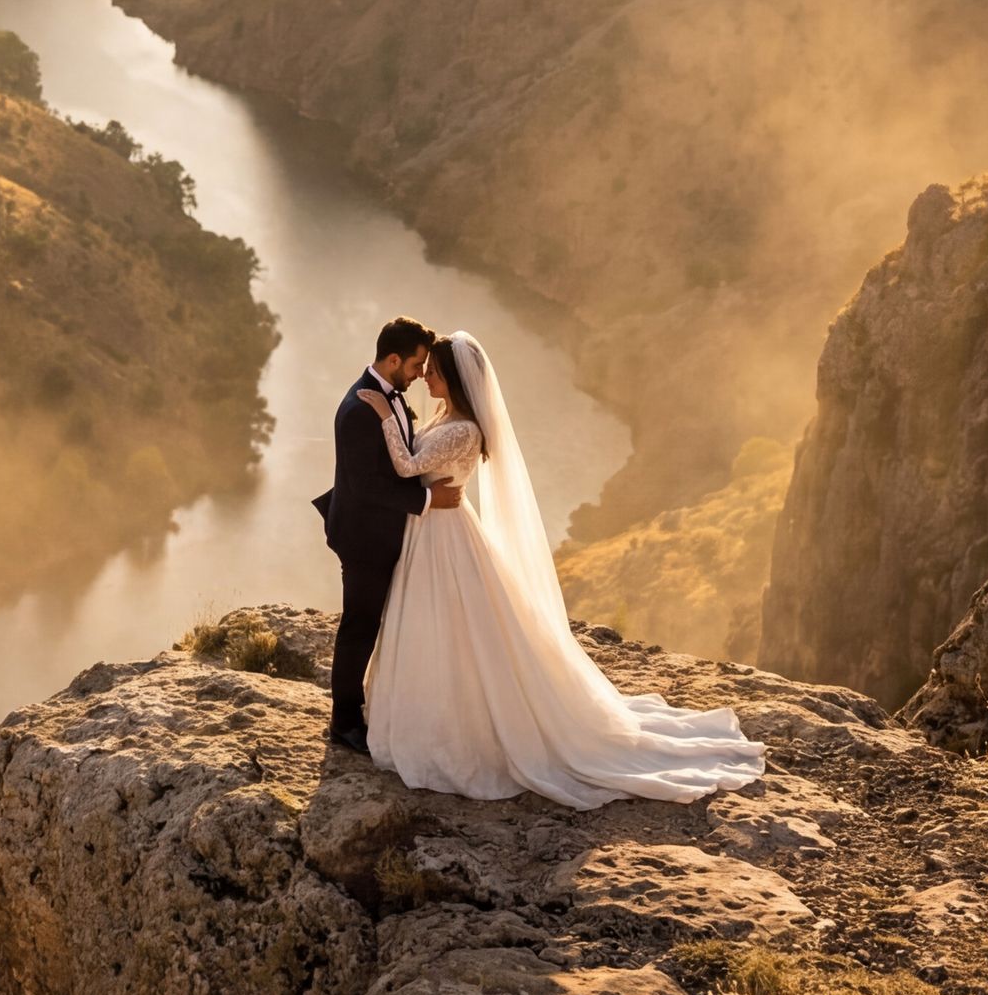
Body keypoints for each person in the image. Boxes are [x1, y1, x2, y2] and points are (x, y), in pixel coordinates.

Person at [355, 330, 766, 806]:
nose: (425, 378)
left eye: (434, 373)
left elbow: (407, 467)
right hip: (431, 529)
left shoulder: (464, 429)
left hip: (445, 536)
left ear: (455, 380)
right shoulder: (446, 417)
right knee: (434, 624)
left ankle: (459, 725)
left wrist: (384, 414)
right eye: (424, 371)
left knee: (454, 627)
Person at [314, 316, 451, 755]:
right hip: (364, 538)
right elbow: (366, 486)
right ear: (393, 360)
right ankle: (344, 722)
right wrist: (428, 501)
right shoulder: (359, 409)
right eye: (416, 365)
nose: (420, 373)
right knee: (360, 626)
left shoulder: (387, 397)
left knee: (378, 622)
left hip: (382, 531)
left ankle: (381, 705)